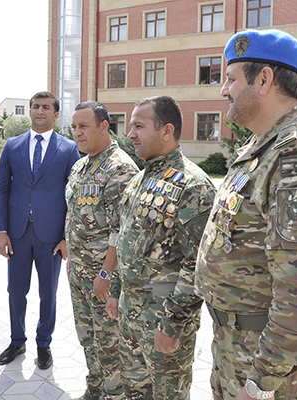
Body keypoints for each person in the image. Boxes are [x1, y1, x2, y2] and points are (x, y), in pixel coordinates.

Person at [194, 29, 297, 400]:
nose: (223, 90)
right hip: (238, 346)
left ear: (264, 80)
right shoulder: (261, 148)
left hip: (271, 367)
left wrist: (262, 383)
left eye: (231, 79)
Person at [107, 96, 216, 399]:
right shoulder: (139, 180)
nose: (130, 134)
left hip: (162, 322)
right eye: (130, 126)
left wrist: (172, 324)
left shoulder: (193, 186)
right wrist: (115, 290)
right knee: (134, 392)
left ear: (167, 131)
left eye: (139, 126)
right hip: (130, 315)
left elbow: (198, 265)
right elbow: (126, 241)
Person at [0, 91, 80, 369]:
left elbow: (75, 196)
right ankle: (17, 341)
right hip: (17, 233)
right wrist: (2, 231)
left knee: (48, 293)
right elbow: (2, 189)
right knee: (15, 291)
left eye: (45, 107)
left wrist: (66, 237)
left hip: (51, 235)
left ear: (55, 114)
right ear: (29, 111)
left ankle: (44, 343)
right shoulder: (12, 145)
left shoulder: (68, 148)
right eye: (35, 107)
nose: (39, 111)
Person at [65, 101, 138, 400]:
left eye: (83, 126)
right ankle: (94, 390)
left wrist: (107, 274)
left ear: (104, 126)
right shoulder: (81, 165)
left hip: (103, 279)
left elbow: (121, 232)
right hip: (80, 274)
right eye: (74, 127)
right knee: (88, 340)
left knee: (110, 347)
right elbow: (74, 215)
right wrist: (71, 259)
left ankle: (113, 395)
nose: (77, 133)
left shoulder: (120, 168)